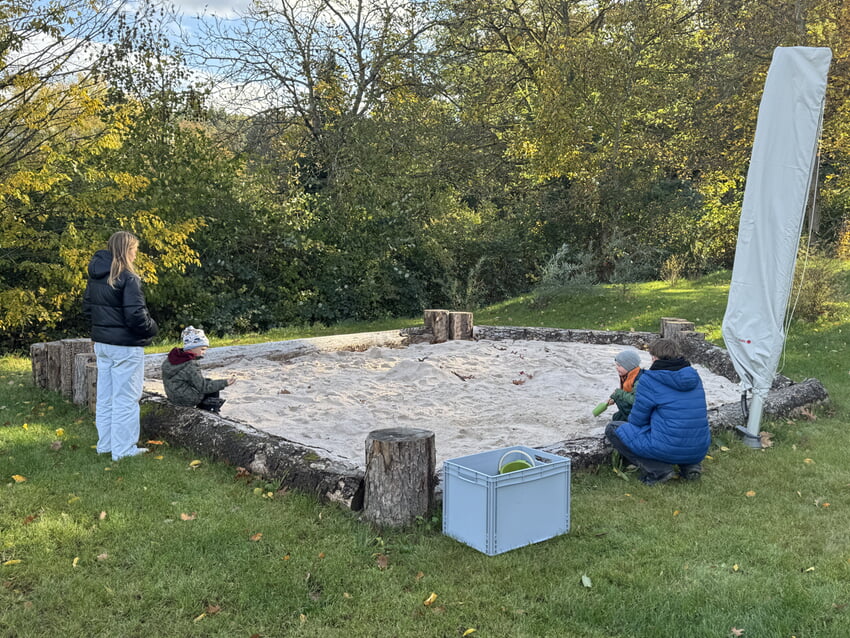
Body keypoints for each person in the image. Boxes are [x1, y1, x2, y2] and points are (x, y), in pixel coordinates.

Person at [82, 231, 159, 461]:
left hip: (103, 344)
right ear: (127, 250)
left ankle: (106, 445)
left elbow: (88, 308)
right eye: (134, 250)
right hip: (125, 346)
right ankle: (123, 450)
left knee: (106, 397)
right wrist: (152, 328)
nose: (136, 255)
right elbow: (136, 316)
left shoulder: (96, 276)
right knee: (126, 399)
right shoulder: (128, 278)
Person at [605, 338, 710, 486]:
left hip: (668, 447)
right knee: (682, 422)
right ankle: (690, 466)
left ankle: (658, 470)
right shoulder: (694, 376)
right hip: (699, 447)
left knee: (613, 428)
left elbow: (637, 420)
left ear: (654, 358)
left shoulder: (649, 380)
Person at [161, 326, 235, 412]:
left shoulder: (172, 358)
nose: (204, 352)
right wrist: (225, 382)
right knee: (212, 388)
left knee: (208, 381)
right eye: (202, 349)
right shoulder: (190, 364)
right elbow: (203, 387)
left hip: (173, 396)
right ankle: (209, 412)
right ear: (191, 347)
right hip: (185, 400)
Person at [606, 349, 644, 421]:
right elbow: (626, 392)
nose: (616, 367)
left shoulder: (639, 380)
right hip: (635, 410)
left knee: (620, 400)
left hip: (640, 414)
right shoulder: (629, 375)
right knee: (616, 417)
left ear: (628, 366)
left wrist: (619, 394)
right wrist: (614, 398)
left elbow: (636, 400)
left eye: (619, 365)